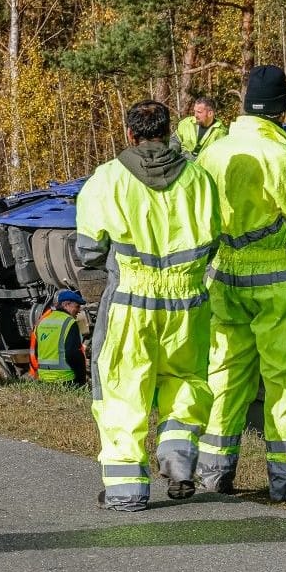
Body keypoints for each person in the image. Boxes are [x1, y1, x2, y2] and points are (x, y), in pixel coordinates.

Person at [74, 100, 221, 510]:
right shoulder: (198, 178)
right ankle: (178, 460)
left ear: (129, 135)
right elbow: (213, 240)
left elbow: (88, 250)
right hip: (188, 301)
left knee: (123, 389)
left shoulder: (107, 179)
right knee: (187, 379)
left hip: (130, 301)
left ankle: (126, 491)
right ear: (167, 130)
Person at [196, 65, 286, 500]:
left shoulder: (213, 151)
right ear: (282, 106)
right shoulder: (283, 156)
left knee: (225, 373)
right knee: (285, 379)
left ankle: (213, 473)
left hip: (221, 276)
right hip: (274, 280)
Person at [29, 288, 89, 386]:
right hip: (65, 378)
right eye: (77, 306)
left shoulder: (42, 321)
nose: (79, 311)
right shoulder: (69, 322)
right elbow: (72, 354)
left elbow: (35, 351)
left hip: (44, 379)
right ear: (66, 305)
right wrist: (81, 380)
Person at [173, 92, 227, 157]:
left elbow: (219, 156)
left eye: (199, 112)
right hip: (182, 163)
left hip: (203, 166)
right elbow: (175, 140)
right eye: (194, 111)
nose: (195, 115)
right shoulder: (186, 123)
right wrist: (173, 155)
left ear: (210, 114)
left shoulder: (221, 132)